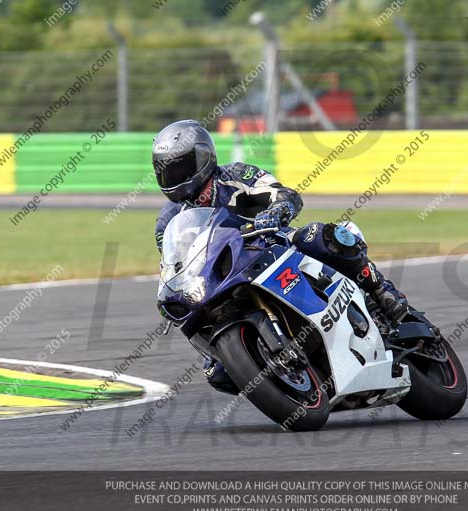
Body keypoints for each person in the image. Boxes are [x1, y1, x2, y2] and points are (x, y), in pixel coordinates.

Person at [153, 120, 408, 393]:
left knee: (317, 236)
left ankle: (381, 290)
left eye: (181, 167)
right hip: (228, 277)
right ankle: (282, 376)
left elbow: (285, 194)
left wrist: (276, 210)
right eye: (167, 170)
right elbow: (177, 264)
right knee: (218, 373)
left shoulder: (237, 175)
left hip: (273, 246)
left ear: (203, 157)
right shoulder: (167, 222)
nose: (176, 176)